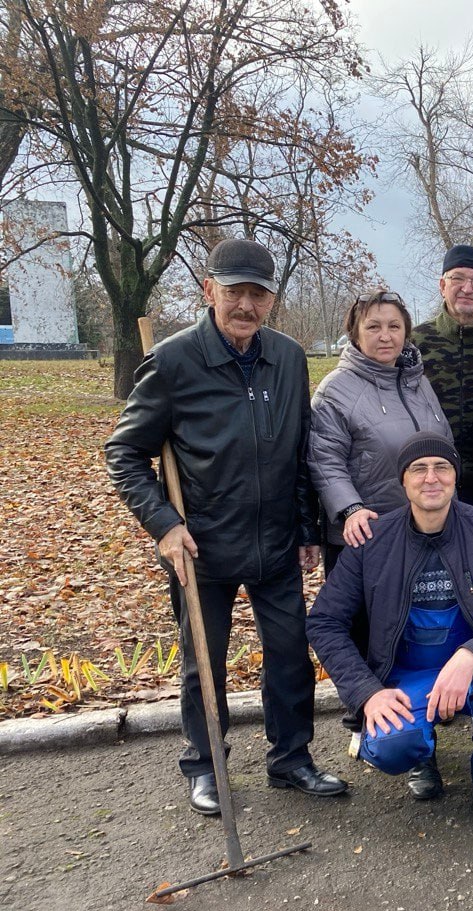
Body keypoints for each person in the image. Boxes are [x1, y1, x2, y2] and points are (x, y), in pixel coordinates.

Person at [105, 238, 347, 816]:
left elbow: (297, 451)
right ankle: (205, 764)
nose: (245, 305)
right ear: (209, 289)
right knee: (204, 661)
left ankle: (291, 759)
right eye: (234, 291)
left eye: (257, 294)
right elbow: (123, 452)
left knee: (289, 654)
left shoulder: (288, 359)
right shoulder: (172, 361)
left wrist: (307, 527)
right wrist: (163, 524)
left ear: (271, 301)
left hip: (276, 543)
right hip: (201, 545)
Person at [307, 435, 473, 841]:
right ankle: (420, 753)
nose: (431, 478)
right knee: (393, 749)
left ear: (455, 477)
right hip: (407, 674)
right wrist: (366, 692)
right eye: (419, 469)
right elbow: (324, 621)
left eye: (442, 468)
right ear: (404, 481)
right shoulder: (372, 541)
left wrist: (470, 656)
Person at [310, 289, 452, 576]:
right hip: (365, 536)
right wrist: (351, 509)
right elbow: (325, 461)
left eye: (394, 326)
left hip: (424, 531)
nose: (385, 336)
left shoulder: (419, 383)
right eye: (373, 326)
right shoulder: (335, 391)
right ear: (355, 333)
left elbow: (444, 446)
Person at [413, 245, 473, 506]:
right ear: (442, 285)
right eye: (458, 278)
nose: (467, 288)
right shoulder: (414, 343)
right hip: (429, 481)